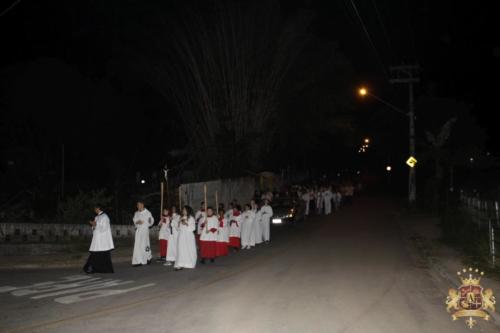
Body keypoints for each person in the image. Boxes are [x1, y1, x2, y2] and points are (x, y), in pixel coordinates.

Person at [83, 204, 114, 274]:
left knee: (98, 255)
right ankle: (93, 269)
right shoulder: (96, 217)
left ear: (98, 208)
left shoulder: (105, 217)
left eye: (95, 208)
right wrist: (93, 226)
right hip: (97, 240)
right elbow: (95, 227)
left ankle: (92, 268)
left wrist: (95, 224)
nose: (94, 210)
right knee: (95, 254)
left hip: (102, 240)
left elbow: (104, 228)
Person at [132, 201, 154, 267]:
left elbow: (151, 221)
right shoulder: (136, 213)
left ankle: (148, 257)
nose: (138, 206)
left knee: (145, 245)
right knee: (138, 246)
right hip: (138, 231)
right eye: (137, 205)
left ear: (142, 205)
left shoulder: (147, 212)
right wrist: (137, 222)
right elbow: (134, 220)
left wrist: (149, 221)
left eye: (139, 205)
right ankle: (138, 260)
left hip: (144, 230)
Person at [174, 206, 197, 271]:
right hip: (181, 235)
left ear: (188, 211)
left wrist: (186, 224)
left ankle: (189, 263)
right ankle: (180, 264)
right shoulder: (180, 218)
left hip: (188, 236)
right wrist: (178, 224)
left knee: (188, 249)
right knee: (181, 249)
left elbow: (193, 228)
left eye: (185, 210)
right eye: (183, 210)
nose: (183, 211)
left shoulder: (191, 218)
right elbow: (178, 228)